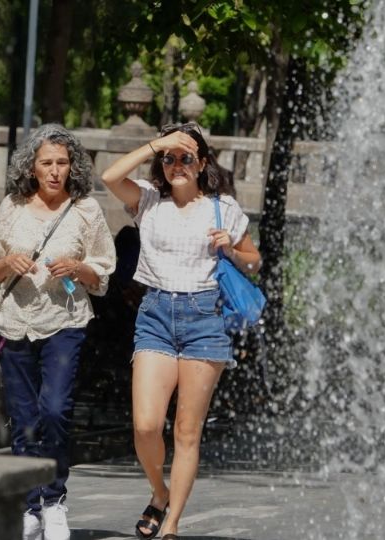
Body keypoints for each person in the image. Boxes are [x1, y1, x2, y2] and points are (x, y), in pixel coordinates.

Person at [100, 122, 261, 540]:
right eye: (169, 158)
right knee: (146, 426)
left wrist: (232, 245)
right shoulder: (149, 201)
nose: (176, 164)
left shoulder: (222, 206)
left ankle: (170, 525)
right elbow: (109, 177)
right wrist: (157, 143)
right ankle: (160, 492)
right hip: (156, 314)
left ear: (202, 163)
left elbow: (254, 259)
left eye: (186, 157)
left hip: (204, 318)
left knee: (187, 431)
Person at [0, 124, 116, 540]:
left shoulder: (86, 209)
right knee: (24, 420)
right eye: (46, 163)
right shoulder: (13, 206)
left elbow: (104, 271)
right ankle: (28, 506)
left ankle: (54, 501)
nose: (55, 171)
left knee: (54, 411)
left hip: (65, 322)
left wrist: (79, 268)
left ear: (72, 166)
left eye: (62, 162)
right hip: (16, 323)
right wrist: (8, 264)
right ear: (31, 168)